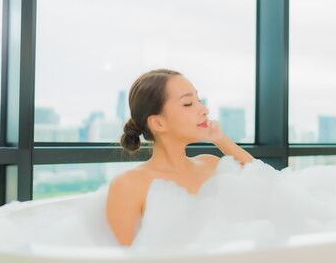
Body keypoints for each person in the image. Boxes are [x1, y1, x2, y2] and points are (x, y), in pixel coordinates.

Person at [106, 69, 254, 246]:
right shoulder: (130, 184)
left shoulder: (210, 164)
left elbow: (262, 179)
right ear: (158, 123)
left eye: (198, 101)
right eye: (188, 104)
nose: (204, 110)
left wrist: (220, 140)